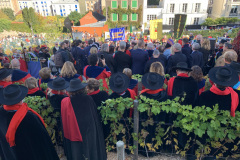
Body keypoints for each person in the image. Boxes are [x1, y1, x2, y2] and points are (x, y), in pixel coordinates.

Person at [0, 84, 59, 160]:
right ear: (21, 98)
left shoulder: (1, 113)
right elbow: (44, 142)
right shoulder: (29, 117)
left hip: (10, 154)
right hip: (30, 155)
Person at [61, 78, 107, 160]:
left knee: (76, 149)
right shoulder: (87, 99)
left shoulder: (65, 101)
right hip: (88, 129)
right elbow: (94, 116)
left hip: (73, 130)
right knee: (89, 147)